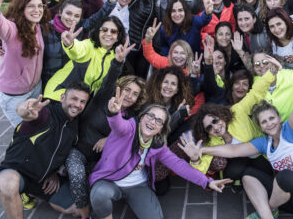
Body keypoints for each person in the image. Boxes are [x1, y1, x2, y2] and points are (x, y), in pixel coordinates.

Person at [181, 59, 293, 219]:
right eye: (264, 122)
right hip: (291, 201)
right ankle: (267, 215)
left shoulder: (291, 130)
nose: (269, 123)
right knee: (248, 177)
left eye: (272, 118)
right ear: (260, 126)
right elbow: (233, 150)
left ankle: (270, 207)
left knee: (284, 176)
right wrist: (200, 151)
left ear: (279, 118)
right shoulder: (264, 143)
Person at [88, 96, 231, 219]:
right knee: (100, 194)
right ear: (142, 116)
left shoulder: (158, 146)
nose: (152, 122)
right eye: (150, 116)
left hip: (137, 186)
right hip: (110, 181)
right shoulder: (128, 129)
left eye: (158, 121)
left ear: (162, 128)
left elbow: (179, 165)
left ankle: (131, 200)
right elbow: (117, 124)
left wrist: (207, 182)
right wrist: (113, 113)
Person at [66, 42, 142, 218]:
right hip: (80, 151)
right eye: (127, 90)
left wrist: (110, 138)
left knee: (98, 185)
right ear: (119, 89)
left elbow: (129, 136)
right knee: (77, 174)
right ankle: (85, 214)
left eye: (134, 94)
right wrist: (118, 61)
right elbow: (109, 79)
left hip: (101, 162)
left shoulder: (131, 116)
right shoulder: (104, 97)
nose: (129, 96)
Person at [0, 82, 91, 218]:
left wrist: (54, 172)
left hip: (42, 180)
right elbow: (27, 113)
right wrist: (25, 109)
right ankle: (18, 192)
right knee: (9, 184)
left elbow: (59, 152)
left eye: (83, 101)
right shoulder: (46, 114)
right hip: (17, 171)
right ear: (62, 97)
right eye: (74, 98)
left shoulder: (74, 127)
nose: (77, 104)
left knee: (76, 209)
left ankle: (27, 193)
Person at [185, 64, 278, 179]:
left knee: (267, 172)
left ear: (220, 115)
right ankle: (243, 178)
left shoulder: (237, 111)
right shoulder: (212, 140)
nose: (215, 127)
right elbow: (201, 167)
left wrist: (271, 72)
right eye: (209, 127)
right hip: (239, 160)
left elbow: (255, 93)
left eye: (215, 120)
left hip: (258, 153)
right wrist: (194, 159)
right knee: (233, 172)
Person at [0, 0, 50, 126]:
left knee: (36, 126)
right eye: (31, 6)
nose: (37, 10)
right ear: (21, 8)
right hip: (13, 95)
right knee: (23, 131)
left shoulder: (37, 27)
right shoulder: (13, 29)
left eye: (40, 6)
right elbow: (1, 26)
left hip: (35, 89)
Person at [42, 0, 117, 86]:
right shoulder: (45, 29)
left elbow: (98, 16)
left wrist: (111, 2)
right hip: (48, 81)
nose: (72, 19)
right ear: (60, 12)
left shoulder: (79, 28)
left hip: (70, 83)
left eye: (76, 16)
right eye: (68, 13)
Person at [43, 16, 127, 101]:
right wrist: (70, 45)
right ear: (98, 32)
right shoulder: (89, 45)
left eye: (113, 31)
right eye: (104, 29)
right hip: (57, 95)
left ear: (118, 37)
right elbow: (78, 49)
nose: (108, 33)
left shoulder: (115, 57)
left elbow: (105, 85)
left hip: (78, 100)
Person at [145, 66, 194, 133]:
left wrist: (179, 114)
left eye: (173, 84)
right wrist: (177, 115)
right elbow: (157, 133)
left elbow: (167, 135)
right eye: (165, 82)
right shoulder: (148, 102)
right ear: (159, 84)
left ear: (177, 90)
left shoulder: (177, 107)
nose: (168, 86)